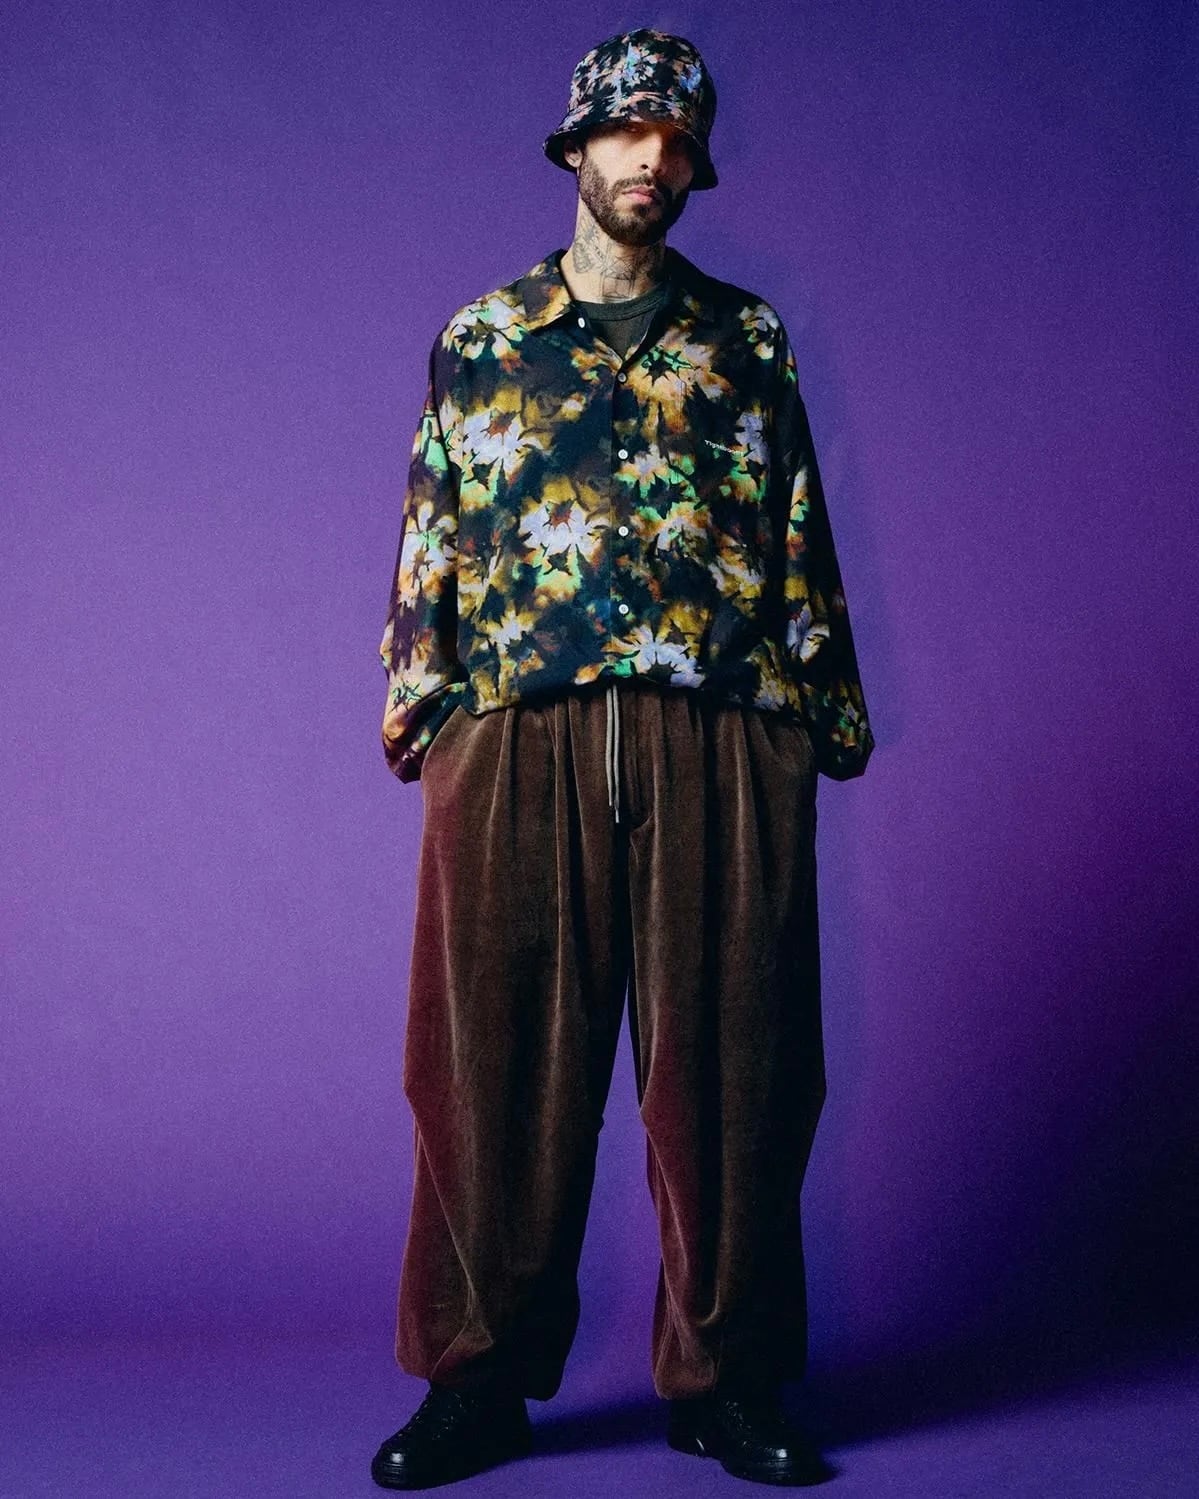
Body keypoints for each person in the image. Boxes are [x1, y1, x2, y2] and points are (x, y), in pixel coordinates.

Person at [371, 28, 874, 1490]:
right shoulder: (484, 338)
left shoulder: (746, 341)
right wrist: (430, 715)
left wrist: (812, 721)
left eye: (676, 136)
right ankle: (475, 1384)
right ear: (577, 148)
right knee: (486, 1074)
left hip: (715, 733)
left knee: (735, 1071)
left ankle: (727, 1380)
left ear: (695, 162)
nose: (651, 156)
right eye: (627, 131)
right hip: (516, 736)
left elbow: (797, 528)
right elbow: (432, 532)